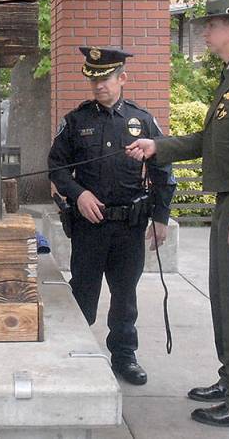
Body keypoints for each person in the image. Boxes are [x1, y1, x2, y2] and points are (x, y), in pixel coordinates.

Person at [125, 0, 229, 429]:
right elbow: (206, 142)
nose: (206, 32)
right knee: (224, 301)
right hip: (228, 203)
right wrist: (156, 146)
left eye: (211, 25)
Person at [48, 46, 176, 386]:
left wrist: (161, 217)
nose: (98, 86)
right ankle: (74, 352)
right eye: (93, 80)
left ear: (122, 78)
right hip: (89, 226)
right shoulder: (76, 121)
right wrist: (78, 193)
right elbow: (57, 167)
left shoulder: (143, 121)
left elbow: (164, 171)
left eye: (104, 79)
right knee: (83, 294)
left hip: (129, 226)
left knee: (125, 297)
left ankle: (124, 356)